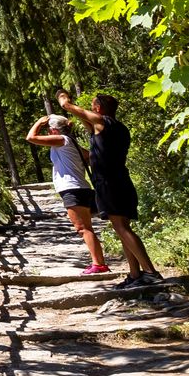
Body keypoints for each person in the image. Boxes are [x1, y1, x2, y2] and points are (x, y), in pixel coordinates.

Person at [58, 89, 162, 286]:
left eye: (92, 106)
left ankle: (150, 272)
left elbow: (67, 106)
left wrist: (62, 96)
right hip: (120, 180)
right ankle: (135, 275)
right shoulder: (117, 128)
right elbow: (87, 124)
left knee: (121, 227)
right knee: (122, 227)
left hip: (109, 183)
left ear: (98, 108)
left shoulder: (102, 122)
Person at [27, 111, 109, 275]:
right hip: (81, 187)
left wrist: (39, 122)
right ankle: (99, 263)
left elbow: (30, 137)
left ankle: (99, 264)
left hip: (72, 189)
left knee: (83, 228)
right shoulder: (71, 142)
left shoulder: (61, 140)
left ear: (53, 130)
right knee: (86, 228)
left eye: (48, 130)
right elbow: (90, 156)